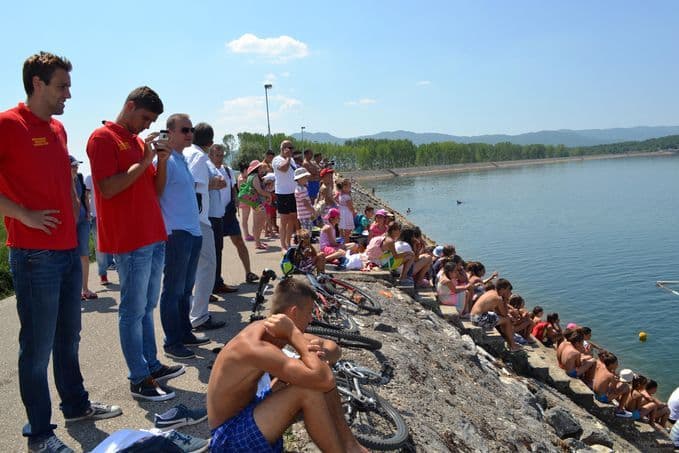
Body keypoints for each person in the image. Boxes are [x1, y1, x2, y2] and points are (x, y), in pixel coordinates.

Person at [1, 51, 121, 452]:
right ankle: (39, 434)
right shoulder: (7, 124)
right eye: (62, 86)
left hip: (67, 249)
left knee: (68, 336)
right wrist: (24, 215)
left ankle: (76, 406)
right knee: (36, 348)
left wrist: (73, 215)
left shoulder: (57, 129)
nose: (68, 94)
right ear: (37, 84)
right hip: (33, 254)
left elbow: (61, 180)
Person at [87, 86, 186, 400]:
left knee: (146, 307)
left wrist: (162, 160)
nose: (147, 125)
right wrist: (145, 161)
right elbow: (108, 188)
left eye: (152, 120)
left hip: (153, 235)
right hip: (130, 238)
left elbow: (154, 191)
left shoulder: (136, 142)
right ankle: (139, 378)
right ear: (129, 106)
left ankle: (152, 365)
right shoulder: (102, 138)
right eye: (145, 117)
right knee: (132, 310)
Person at [207, 278, 368, 453]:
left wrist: (318, 354)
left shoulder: (272, 329)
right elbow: (325, 380)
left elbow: (334, 349)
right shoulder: (255, 346)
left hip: (250, 409)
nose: (311, 319)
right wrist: (296, 336)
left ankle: (350, 445)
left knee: (309, 373)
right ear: (294, 312)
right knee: (308, 389)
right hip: (228, 438)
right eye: (309, 313)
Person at [156, 113, 208, 360]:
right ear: (171, 132)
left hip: (192, 231)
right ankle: (172, 341)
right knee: (174, 289)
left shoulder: (182, 159)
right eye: (185, 130)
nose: (190, 134)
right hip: (176, 232)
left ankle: (185, 332)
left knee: (186, 288)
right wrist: (161, 158)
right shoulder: (164, 159)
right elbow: (158, 189)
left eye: (191, 131)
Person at [184, 123, 226, 332]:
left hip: (191, 219)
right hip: (198, 219)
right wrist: (214, 183)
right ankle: (199, 316)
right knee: (207, 266)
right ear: (210, 143)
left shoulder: (187, 152)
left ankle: (192, 314)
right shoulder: (199, 157)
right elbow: (191, 184)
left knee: (193, 269)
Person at [207, 144, 259, 288]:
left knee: (239, 241)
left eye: (222, 155)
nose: (220, 158)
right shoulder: (207, 170)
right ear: (210, 155)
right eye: (217, 155)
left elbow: (233, 188)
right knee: (215, 249)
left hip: (228, 212)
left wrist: (235, 199)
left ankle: (248, 272)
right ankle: (214, 281)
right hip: (213, 214)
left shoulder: (228, 171)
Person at [469, 279, 521, 352]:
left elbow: (499, 313)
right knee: (507, 320)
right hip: (478, 319)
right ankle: (512, 345)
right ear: (503, 289)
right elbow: (504, 314)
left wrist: (509, 314)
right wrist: (506, 299)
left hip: (474, 317)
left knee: (506, 319)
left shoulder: (491, 292)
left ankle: (510, 342)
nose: (509, 292)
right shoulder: (498, 298)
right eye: (508, 290)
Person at [71, 156, 97, 300]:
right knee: (71, 256)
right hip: (70, 222)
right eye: (73, 166)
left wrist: (88, 212)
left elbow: (84, 197)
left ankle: (85, 289)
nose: (76, 168)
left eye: (77, 165)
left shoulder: (79, 178)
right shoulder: (62, 180)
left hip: (83, 220)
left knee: (84, 254)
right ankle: (74, 291)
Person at [84, 174, 114, 286]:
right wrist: (88, 211)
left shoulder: (111, 175)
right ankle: (103, 274)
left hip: (111, 215)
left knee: (116, 245)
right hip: (97, 216)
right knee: (99, 246)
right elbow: (86, 195)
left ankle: (120, 270)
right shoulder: (89, 178)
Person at [237, 160, 272, 250]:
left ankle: (258, 242)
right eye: (259, 167)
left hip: (256, 203)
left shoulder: (250, 177)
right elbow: (259, 190)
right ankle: (257, 243)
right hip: (258, 203)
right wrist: (269, 195)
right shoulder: (255, 177)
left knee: (257, 223)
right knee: (259, 224)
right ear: (256, 168)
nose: (261, 169)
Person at [590, 351, 632, 417]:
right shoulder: (610, 375)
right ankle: (620, 410)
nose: (618, 365)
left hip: (594, 392)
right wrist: (617, 384)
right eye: (616, 363)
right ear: (611, 364)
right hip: (602, 398)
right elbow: (614, 390)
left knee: (619, 385)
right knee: (626, 388)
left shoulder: (601, 365)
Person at [272, 140, 298, 249]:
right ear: (283, 148)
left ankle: (288, 243)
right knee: (284, 220)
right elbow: (283, 169)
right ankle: (283, 245)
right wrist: (287, 158)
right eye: (289, 148)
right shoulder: (277, 159)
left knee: (293, 218)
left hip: (293, 192)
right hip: (283, 193)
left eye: (292, 148)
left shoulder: (291, 160)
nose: (291, 150)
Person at [293, 167, 315, 231]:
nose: (307, 179)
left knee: (306, 231)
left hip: (305, 214)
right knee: (306, 233)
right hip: (305, 215)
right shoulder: (301, 189)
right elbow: (305, 203)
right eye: (305, 177)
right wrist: (313, 211)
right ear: (300, 178)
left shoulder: (301, 188)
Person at [337, 178, 356, 243]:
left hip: (341, 213)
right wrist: (354, 212)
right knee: (347, 231)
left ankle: (342, 241)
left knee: (342, 228)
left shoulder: (340, 194)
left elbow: (337, 200)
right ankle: (347, 244)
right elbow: (350, 206)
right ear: (344, 187)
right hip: (347, 214)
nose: (350, 188)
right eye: (349, 186)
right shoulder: (347, 196)